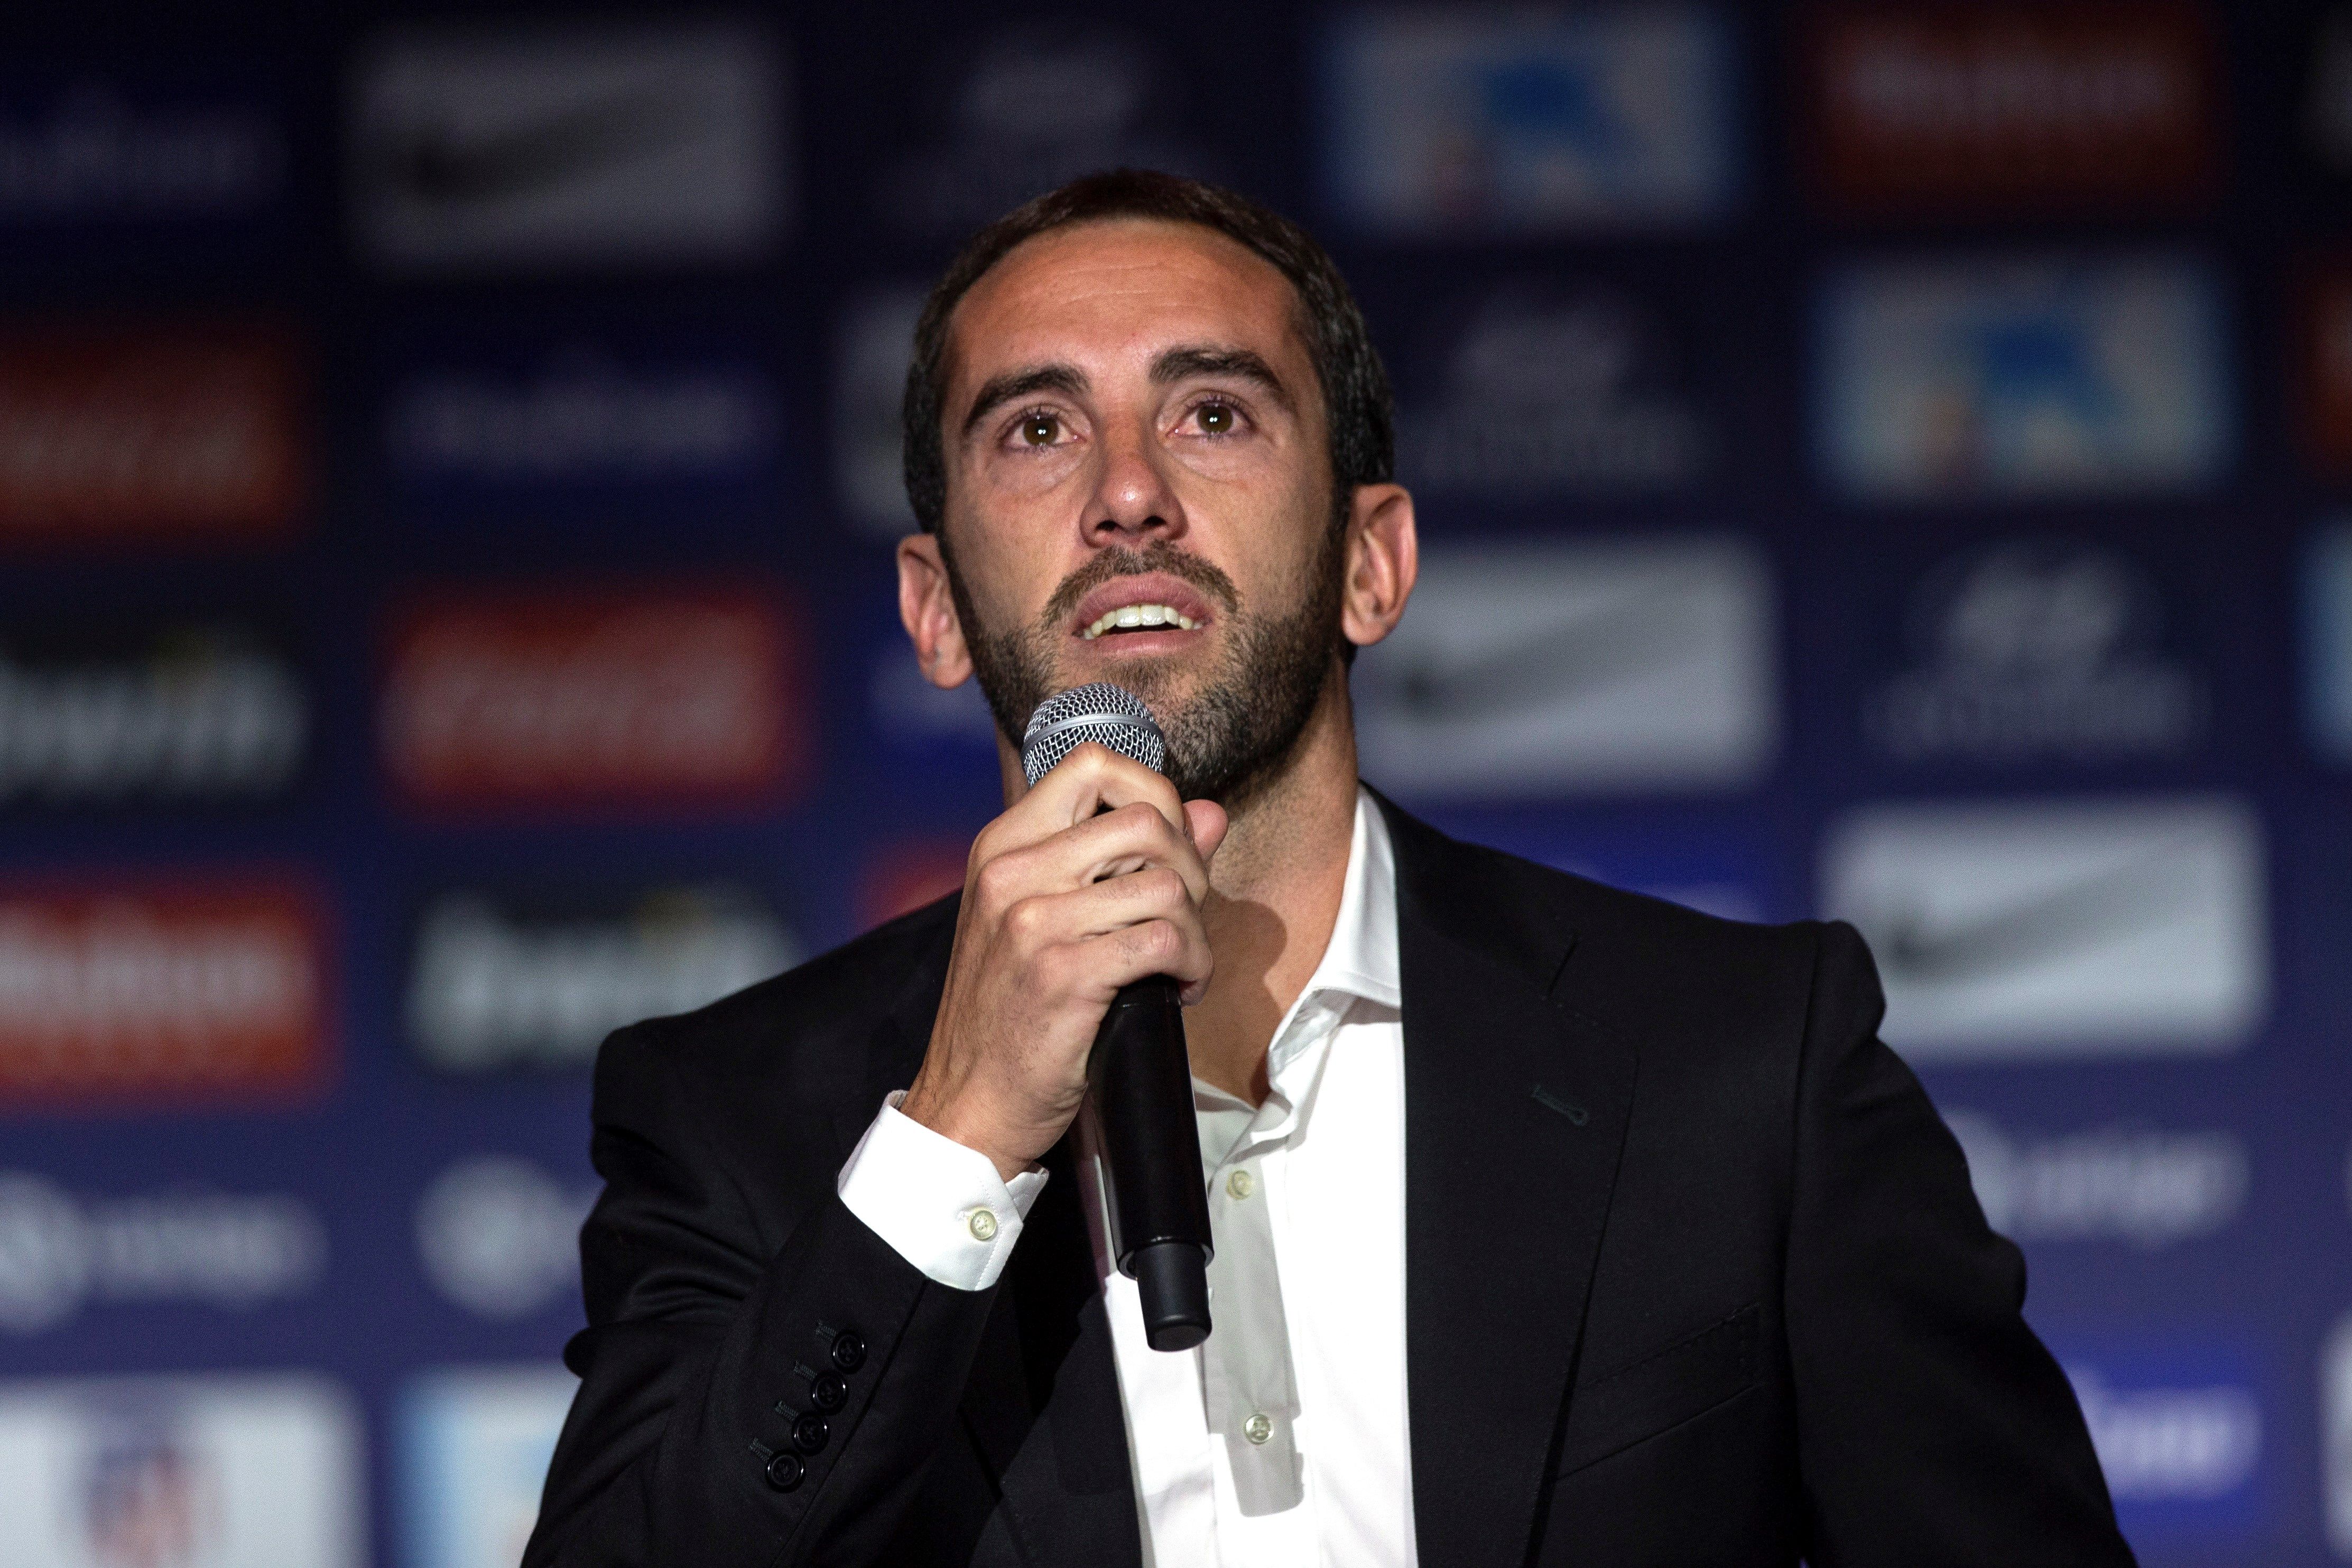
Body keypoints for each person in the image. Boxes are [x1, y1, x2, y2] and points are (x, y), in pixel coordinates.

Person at [522, 169, 2135, 1568]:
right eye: (1036, 430)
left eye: (1212, 413)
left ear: (1372, 563)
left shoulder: (1737, 1064)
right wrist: (960, 1139)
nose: (1127, 496)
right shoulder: (739, 1119)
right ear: (933, 608)